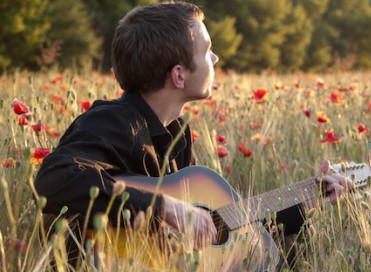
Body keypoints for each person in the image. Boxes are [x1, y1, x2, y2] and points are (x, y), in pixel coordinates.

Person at [34, 1, 351, 269]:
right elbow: (56, 177)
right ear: (179, 75)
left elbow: (219, 222)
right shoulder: (113, 121)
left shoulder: (177, 135)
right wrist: (165, 208)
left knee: (289, 251)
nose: (215, 59)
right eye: (208, 51)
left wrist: (308, 199)